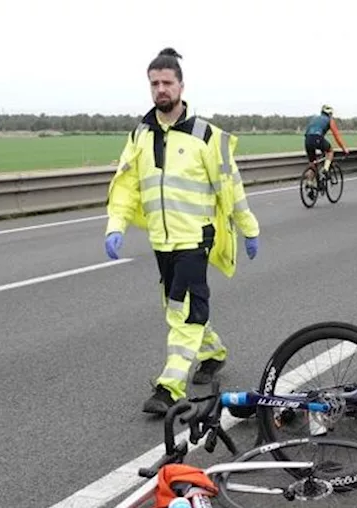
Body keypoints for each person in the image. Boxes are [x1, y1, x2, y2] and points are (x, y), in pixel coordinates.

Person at [103, 47, 261, 415]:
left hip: (195, 238)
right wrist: (117, 226)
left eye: (167, 82)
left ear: (181, 86)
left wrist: (248, 228)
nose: (161, 89)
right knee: (175, 304)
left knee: (184, 310)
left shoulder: (207, 136)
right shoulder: (140, 134)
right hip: (161, 239)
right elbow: (125, 186)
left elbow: (230, 187)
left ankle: (169, 388)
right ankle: (213, 353)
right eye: (154, 83)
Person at [303, 104, 349, 179]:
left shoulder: (314, 118)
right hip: (317, 138)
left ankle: (309, 182)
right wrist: (344, 149)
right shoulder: (330, 120)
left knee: (312, 163)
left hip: (307, 139)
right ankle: (326, 169)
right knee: (330, 151)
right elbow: (337, 136)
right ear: (330, 114)